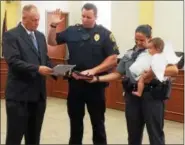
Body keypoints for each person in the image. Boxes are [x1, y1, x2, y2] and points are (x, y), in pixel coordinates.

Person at [89, 24, 179, 145]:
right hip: (132, 97)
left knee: (155, 134)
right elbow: (118, 74)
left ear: (150, 38)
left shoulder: (157, 51)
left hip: (152, 96)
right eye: (136, 40)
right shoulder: (129, 54)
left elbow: (174, 70)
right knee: (133, 135)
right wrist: (97, 78)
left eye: (142, 40)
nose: (138, 43)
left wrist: (154, 71)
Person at [47, 3, 119, 144]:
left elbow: (113, 59)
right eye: (83, 16)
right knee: (75, 124)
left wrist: (94, 71)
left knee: (98, 124)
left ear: (96, 17)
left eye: (89, 17)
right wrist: (53, 26)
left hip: (95, 86)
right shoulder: (72, 30)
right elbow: (52, 42)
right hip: (75, 85)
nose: (85, 19)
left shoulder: (105, 34)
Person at [2, 4, 55, 145]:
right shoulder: (11, 35)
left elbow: (45, 59)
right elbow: (13, 61)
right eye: (33, 20)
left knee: (34, 137)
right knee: (15, 137)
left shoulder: (40, 36)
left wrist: (57, 70)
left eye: (38, 20)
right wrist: (37, 69)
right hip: (19, 97)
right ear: (24, 18)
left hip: (38, 97)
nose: (37, 23)